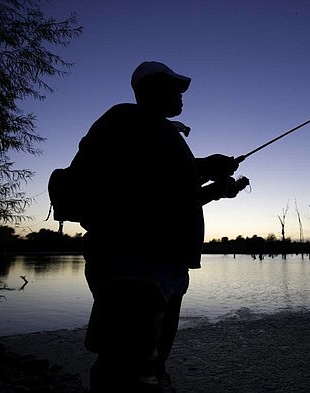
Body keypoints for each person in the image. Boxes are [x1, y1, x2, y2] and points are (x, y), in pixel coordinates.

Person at [69, 61, 247, 393]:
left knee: (152, 363)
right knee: (126, 367)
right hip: (132, 262)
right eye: (173, 88)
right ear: (150, 89)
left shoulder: (162, 134)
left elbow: (166, 198)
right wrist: (206, 165)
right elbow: (138, 176)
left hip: (167, 266)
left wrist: (217, 190)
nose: (181, 95)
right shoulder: (124, 119)